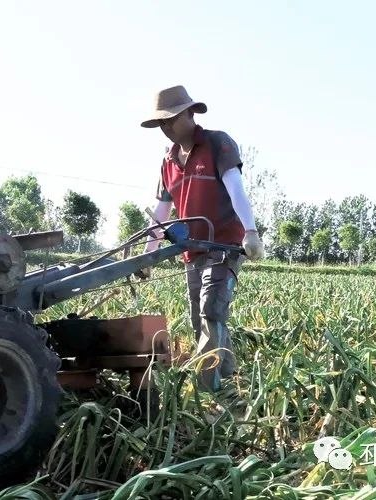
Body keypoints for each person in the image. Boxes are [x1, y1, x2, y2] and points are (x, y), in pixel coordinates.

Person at [140, 85, 264, 392]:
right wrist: (146, 255)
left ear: (190, 113)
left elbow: (235, 188)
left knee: (211, 308)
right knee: (202, 317)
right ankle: (230, 380)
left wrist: (251, 231)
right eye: (161, 124)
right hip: (191, 251)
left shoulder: (217, 144)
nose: (166, 128)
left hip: (223, 245)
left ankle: (208, 390)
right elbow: (161, 212)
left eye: (170, 119)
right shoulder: (168, 161)